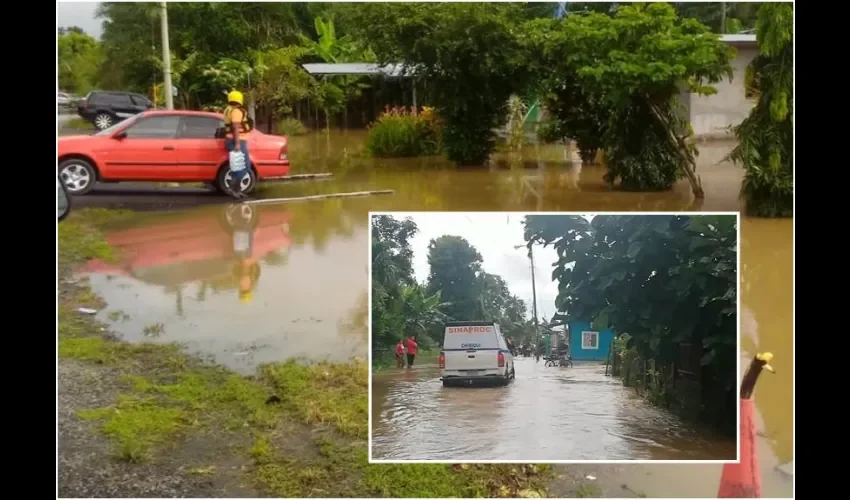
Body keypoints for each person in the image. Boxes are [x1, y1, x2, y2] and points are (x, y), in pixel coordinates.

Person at [223, 90, 254, 198]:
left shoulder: (228, 110)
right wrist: (237, 144)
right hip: (238, 141)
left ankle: (236, 190)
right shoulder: (236, 111)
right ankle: (233, 189)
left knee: (238, 166)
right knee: (244, 167)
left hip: (232, 140)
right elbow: (236, 127)